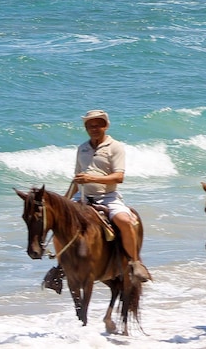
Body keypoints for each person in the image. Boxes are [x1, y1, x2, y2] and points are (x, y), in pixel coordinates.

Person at [70, 109, 151, 283]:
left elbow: (119, 177)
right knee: (59, 219)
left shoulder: (115, 147)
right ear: (86, 128)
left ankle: (135, 262)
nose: (94, 128)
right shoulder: (82, 148)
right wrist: (64, 200)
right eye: (90, 126)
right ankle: (60, 266)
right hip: (82, 196)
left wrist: (90, 178)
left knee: (124, 221)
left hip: (107, 197)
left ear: (105, 126)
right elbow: (76, 180)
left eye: (98, 125)